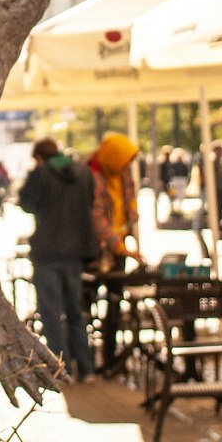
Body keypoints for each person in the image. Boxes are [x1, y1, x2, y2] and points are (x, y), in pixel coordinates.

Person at [19, 138, 99, 382]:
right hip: (76, 251)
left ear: (40, 157)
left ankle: (61, 369)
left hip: (48, 251)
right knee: (76, 311)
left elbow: (26, 203)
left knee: (51, 312)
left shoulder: (41, 174)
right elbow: (90, 204)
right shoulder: (84, 173)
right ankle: (87, 368)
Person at [88, 131, 144, 373]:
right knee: (90, 303)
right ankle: (90, 360)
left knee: (115, 303)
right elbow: (96, 218)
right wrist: (118, 245)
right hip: (98, 250)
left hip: (120, 246)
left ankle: (111, 358)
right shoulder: (92, 176)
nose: (126, 167)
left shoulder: (122, 172)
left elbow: (130, 198)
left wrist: (132, 218)